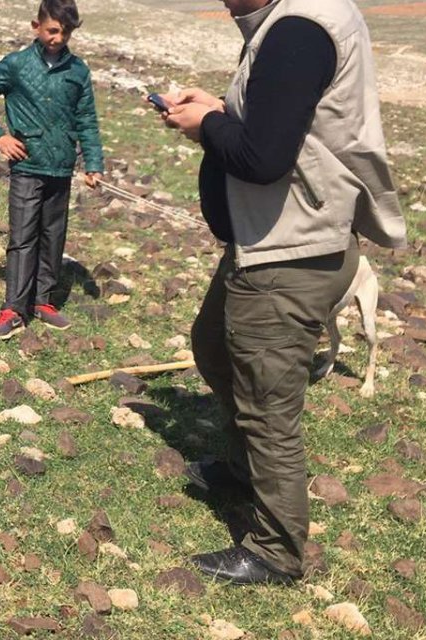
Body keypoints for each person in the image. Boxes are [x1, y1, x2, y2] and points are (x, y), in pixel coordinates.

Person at [159, 0, 406, 585]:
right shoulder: (290, 20)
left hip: (291, 250)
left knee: (268, 404)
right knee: (215, 346)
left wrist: (207, 125)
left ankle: (276, 549)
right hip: (273, 234)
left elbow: (263, 157)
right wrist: (221, 109)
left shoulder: (298, 28)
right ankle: (247, 471)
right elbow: (283, 121)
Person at [0, 0, 104, 340]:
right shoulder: (16, 64)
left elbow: (87, 119)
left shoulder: (78, 71)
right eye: (53, 30)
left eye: (66, 31)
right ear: (36, 26)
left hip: (60, 168)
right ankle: (13, 307)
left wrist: (93, 163)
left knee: (53, 235)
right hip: (27, 166)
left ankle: (43, 302)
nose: (59, 37)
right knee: (23, 236)